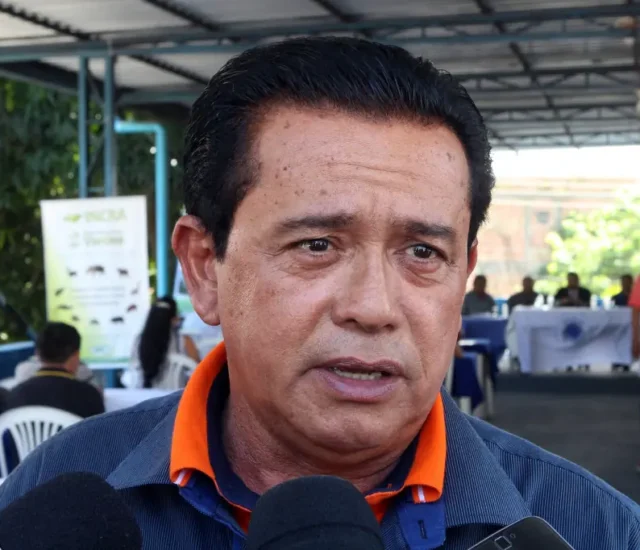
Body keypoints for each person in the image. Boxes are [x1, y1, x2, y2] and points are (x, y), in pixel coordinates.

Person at [0, 38, 637, 550]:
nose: (374, 308)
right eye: (317, 245)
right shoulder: (55, 497)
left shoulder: (597, 531)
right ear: (204, 267)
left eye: (422, 252)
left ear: (463, 273)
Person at [6, 323, 104, 419]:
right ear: (76, 355)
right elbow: (101, 428)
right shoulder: (89, 396)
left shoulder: (14, 396)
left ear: (37, 354)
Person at [123, 296, 198, 389]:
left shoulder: (138, 340)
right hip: (177, 394)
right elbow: (198, 370)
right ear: (174, 319)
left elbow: (133, 368)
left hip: (141, 392)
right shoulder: (184, 340)